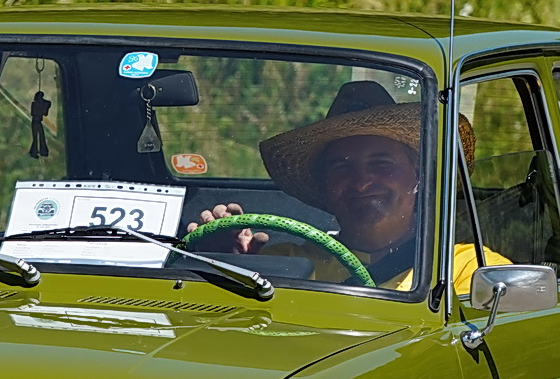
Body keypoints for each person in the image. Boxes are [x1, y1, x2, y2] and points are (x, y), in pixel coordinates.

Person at [185, 81, 502, 294]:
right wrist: (225, 268)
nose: (362, 181)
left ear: (418, 174)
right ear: (326, 183)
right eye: (342, 166)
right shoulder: (284, 265)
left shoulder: (470, 270)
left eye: (381, 163)